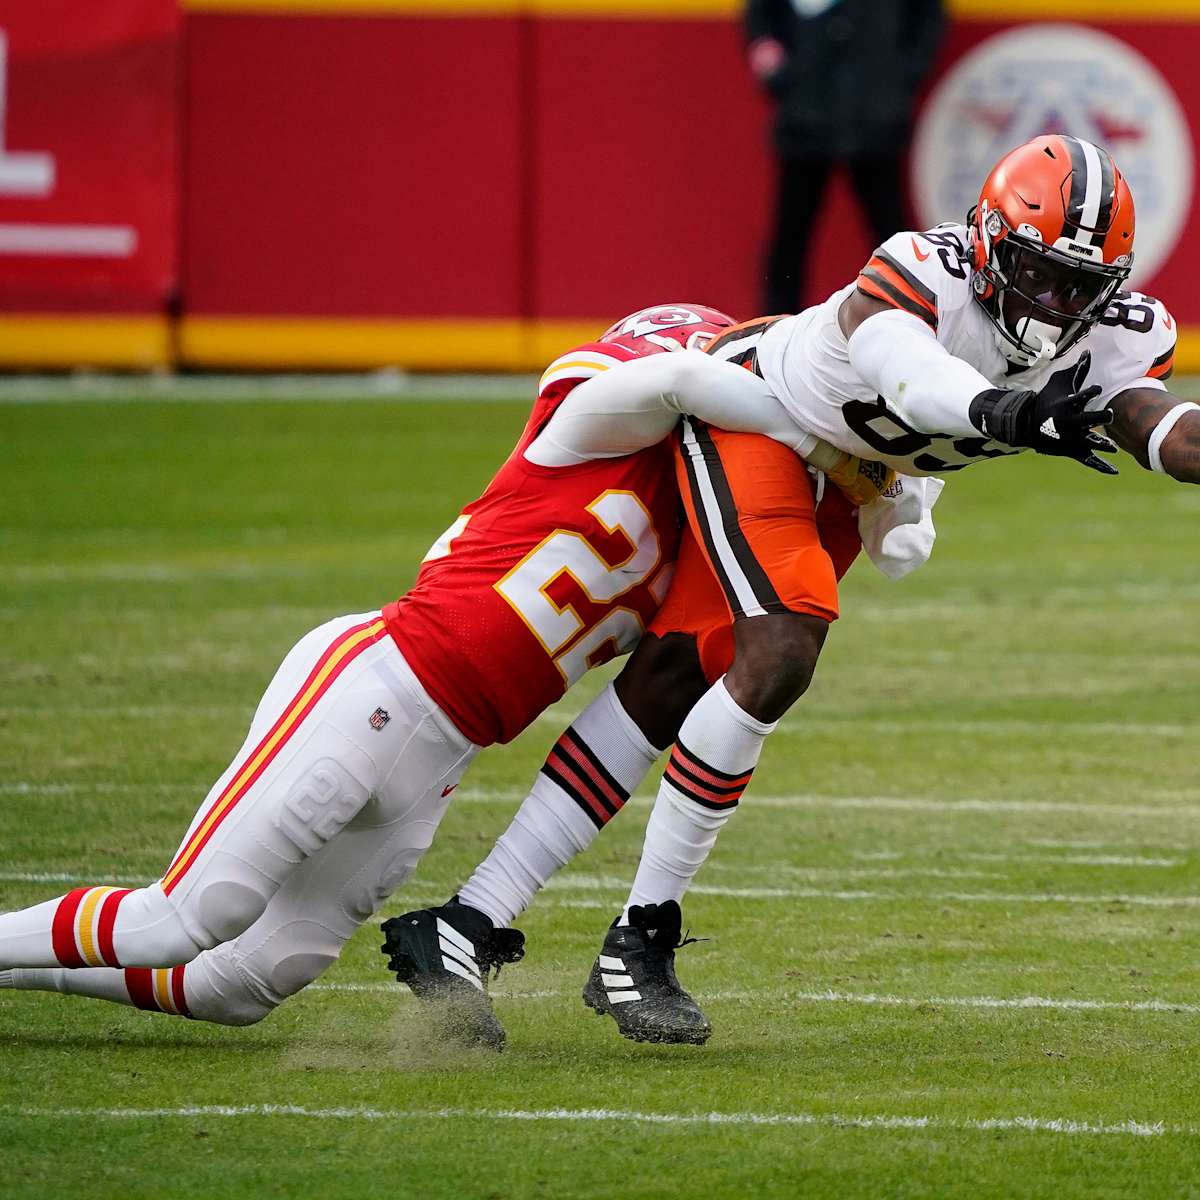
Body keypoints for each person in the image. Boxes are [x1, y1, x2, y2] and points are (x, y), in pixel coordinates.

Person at [387, 134, 1199, 1048]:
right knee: (783, 647)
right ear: (983, 239)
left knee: (675, 678)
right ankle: (641, 938)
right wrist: (1009, 412)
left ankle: (466, 920)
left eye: (1077, 287)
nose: (1054, 309)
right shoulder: (917, 270)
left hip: (851, 484)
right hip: (758, 417)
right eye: (1035, 275)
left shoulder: (1125, 330)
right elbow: (916, 383)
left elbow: (1156, 423)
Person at [0, 304, 835, 1043]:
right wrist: (813, 415)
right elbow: (683, 378)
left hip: (442, 757)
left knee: (246, 981)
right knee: (186, 917)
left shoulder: (703, 516)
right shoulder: (584, 419)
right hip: (380, 686)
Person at [745, 0, 944, 314]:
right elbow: (761, 16)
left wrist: (901, 75)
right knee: (790, 236)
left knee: (894, 236)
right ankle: (770, 333)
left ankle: (915, 319)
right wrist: (781, 73)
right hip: (806, 113)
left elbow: (928, 15)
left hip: (874, 115)